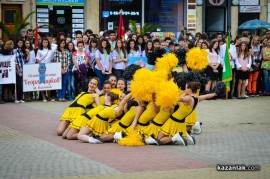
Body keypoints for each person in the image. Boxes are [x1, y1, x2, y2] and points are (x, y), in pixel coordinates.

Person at [156, 82, 218, 146]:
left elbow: (177, 99)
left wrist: (184, 93)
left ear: (189, 89)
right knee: (165, 138)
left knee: (159, 139)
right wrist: (215, 93)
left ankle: (175, 138)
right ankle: (179, 137)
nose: (185, 89)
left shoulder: (188, 98)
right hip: (181, 122)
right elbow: (206, 96)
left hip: (173, 121)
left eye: (186, 88)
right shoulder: (197, 98)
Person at [36, 37, 54, 102]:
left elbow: (52, 59)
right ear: (42, 43)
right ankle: (43, 96)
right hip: (42, 68)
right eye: (44, 42)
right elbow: (37, 59)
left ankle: (49, 96)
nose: (45, 43)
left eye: (46, 42)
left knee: (49, 82)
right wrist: (41, 65)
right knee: (42, 82)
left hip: (49, 67)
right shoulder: (39, 50)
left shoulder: (50, 50)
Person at [14, 39, 28, 103]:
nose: (21, 44)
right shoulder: (15, 51)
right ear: (17, 43)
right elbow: (15, 62)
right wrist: (19, 71)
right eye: (20, 43)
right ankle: (18, 98)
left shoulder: (22, 51)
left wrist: (28, 54)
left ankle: (20, 98)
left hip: (24, 69)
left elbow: (26, 60)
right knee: (19, 85)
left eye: (22, 43)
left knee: (23, 84)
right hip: (18, 70)